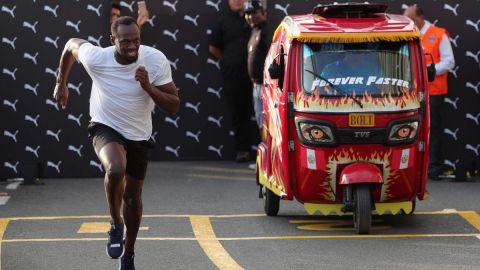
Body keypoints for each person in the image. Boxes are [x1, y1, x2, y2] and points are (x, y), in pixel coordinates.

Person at [53, 16, 179, 269]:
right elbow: (70, 45)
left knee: (132, 197)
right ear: (112, 41)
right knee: (115, 168)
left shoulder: (154, 59)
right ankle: (115, 224)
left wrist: (148, 88)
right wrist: (61, 82)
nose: (132, 46)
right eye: (125, 42)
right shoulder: (98, 58)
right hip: (105, 126)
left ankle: (129, 253)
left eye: (136, 41)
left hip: (139, 135)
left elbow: (173, 105)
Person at [404, 4, 455, 180]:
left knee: (432, 131)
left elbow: (449, 62)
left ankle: (433, 169)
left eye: (409, 19)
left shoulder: (439, 34)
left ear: (419, 18)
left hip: (434, 92)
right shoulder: (407, 36)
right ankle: (413, 167)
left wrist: (425, 71)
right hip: (410, 93)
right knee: (410, 129)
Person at [209, 0, 258, 163]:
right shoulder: (223, 21)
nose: (237, 1)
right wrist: (228, 60)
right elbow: (213, 47)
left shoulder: (256, 17)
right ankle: (242, 150)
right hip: (233, 75)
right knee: (238, 113)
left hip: (258, 75)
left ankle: (266, 149)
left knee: (262, 110)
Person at [244, 0, 268, 170]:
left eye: (254, 12)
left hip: (268, 87)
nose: (250, 16)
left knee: (267, 123)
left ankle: (268, 161)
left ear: (263, 12)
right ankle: (264, 160)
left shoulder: (267, 30)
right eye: (248, 13)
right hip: (257, 86)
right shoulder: (255, 31)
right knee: (261, 122)